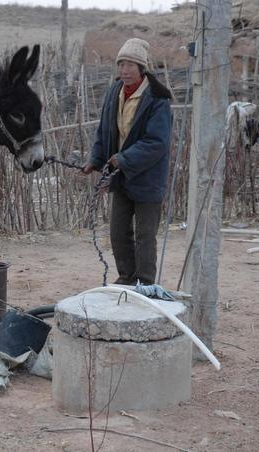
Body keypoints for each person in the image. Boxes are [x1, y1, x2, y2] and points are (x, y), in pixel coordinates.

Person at [82, 38, 172, 286]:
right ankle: (126, 278)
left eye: (130, 64)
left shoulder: (157, 99)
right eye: (121, 63)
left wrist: (123, 158)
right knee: (119, 232)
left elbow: (157, 143)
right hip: (121, 175)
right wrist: (96, 159)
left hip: (148, 177)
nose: (124, 70)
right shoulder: (115, 92)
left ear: (142, 68)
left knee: (145, 235)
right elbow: (104, 130)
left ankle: (144, 284)